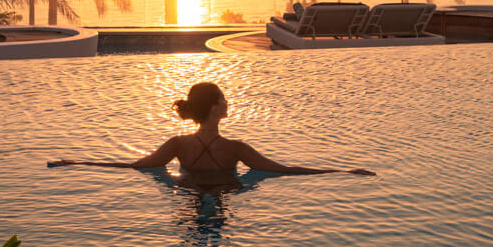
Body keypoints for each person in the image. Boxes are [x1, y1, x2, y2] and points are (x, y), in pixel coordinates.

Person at [48, 81, 376, 177]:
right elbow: (283, 170)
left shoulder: (178, 144)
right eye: (224, 98)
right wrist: (342, 171)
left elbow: (137, 165)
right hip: (226, 192)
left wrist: (78, 163)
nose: (228, 102)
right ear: (216, 109)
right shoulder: (235, 148)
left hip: (187, 191)